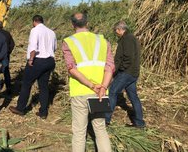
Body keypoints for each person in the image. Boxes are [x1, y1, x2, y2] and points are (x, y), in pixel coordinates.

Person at [62, 12, 114, 152]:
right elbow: (109, 67)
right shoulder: (103, 41)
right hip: (100, 93)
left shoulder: (69, 42)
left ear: (72, 24)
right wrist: (103, 87)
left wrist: (91, 85)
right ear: (87, 22)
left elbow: (72, 69)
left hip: (80, 91)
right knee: (101, 130)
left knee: (79, 132)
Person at [9, 15, 56, 119]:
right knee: (43, 87)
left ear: (34, 21)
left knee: (26, 84)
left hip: (38, 60)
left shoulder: (35, 30)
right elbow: (54, 48)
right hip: (50, 61)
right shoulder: (51, 32)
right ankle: (43, 112)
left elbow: (33, 46)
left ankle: (20, 108)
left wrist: (31, 59)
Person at [105, 21, 146, 128]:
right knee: (133, 97)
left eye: (116, 31)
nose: (116, 33)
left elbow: (128, 57)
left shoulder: (127, 39)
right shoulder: (131, 38)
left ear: (119, 29)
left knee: (112, 92)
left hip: (127, 73)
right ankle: (139, 123)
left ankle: (106, 120)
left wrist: (119, 70)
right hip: (133, 73)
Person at [0, 20, 15, 94]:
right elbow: (12, 44)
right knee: (6, 71)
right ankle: (8, 87)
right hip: (5, 55)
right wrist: (8, 51)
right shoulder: (7, 33)